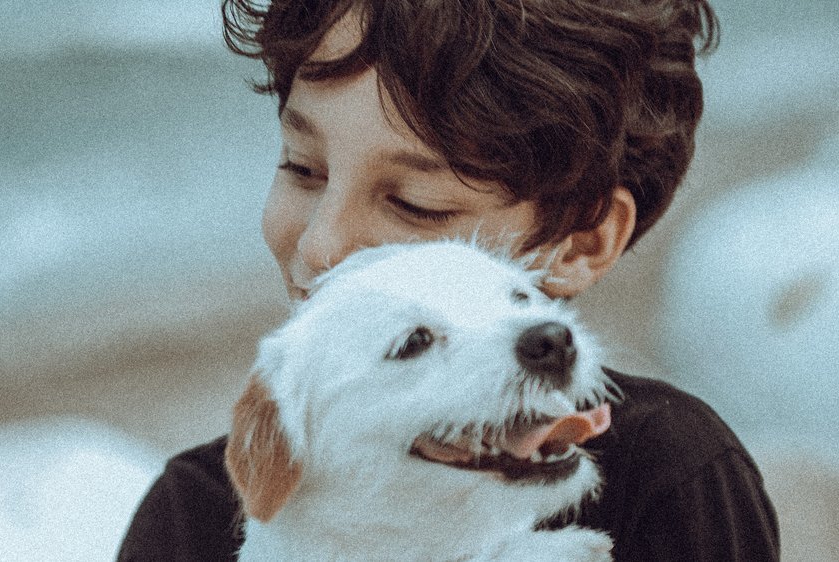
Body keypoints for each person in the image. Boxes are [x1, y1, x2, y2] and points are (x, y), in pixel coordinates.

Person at [119, 0, 780, 560]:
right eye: (302, 167)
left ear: (582, 242)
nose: (322, 244)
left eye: (416, 203)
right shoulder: (194, 520)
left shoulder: (671, 480)